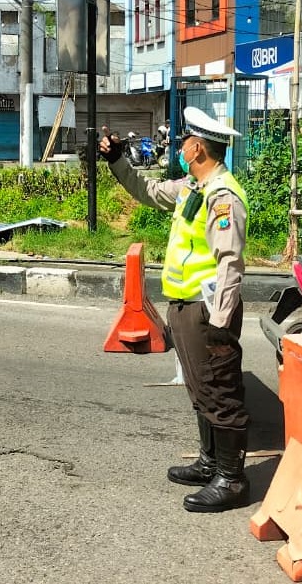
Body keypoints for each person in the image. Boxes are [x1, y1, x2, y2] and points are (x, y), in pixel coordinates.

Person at [99, 107, 252, 513]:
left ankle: (232, 479)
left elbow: (230, 262)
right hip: (185, 307)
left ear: (198, 148)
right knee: (200, 389)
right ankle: (209, 464)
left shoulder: (222, 196)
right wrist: (117, 159)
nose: (179, 147)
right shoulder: (193, 187)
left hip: (208, 311)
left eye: (185, 142)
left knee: (220, 392)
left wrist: (220, 322)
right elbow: (148, 191)